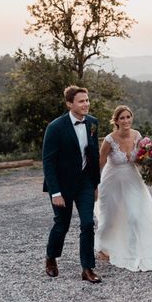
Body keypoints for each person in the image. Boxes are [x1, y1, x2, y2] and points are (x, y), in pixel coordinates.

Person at [95, 105, 152, 271]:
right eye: (122, 118)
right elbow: (100, 163)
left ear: (132, 118)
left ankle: (132, 252)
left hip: (132, 180)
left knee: (134, 216)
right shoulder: (109, 140)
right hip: (111, 182)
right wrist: (94, 186)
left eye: (128, 117)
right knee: (109, 217)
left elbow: (139, 159)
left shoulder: (137, 135)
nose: (126, 120)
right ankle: (103, 248)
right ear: (116, 121)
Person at [42, 85, 102, 283]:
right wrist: (55, 192)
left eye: (87, 100)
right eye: (81, 101)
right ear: (69, 104)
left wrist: (95, 184)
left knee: (87, 223)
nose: (86, 104)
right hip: (62, 185)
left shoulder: (93, 123)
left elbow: (93, 156)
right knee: (62, 225)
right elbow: (48, 162)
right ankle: (51, 258)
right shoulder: (55, 127)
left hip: (85, 182)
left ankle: (87, 268)